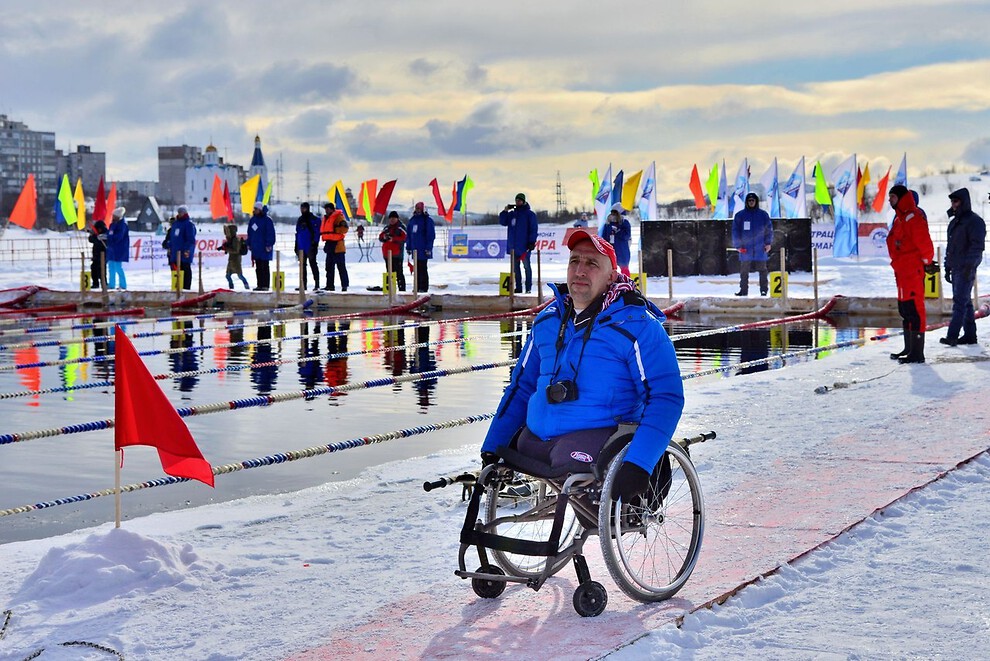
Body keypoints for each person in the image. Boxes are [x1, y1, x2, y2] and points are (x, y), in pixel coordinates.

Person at [480, 229, 684, 504]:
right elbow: (522, 386)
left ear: (612, 276)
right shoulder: (547, 321)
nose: (580, 270)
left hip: (597, 441)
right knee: (515, 449)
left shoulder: (637, 326)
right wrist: (492, 446)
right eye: (574, 261)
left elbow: (666, 397)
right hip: (538, 439)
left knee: (570, 458)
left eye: (592, 264)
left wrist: (640, 462)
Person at [886, 184, 936, 363]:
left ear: (901, 198)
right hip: (901, 271)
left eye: (892, 197)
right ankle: (909, 348)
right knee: (905, 309)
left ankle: (917, 353)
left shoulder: (913, 218)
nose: (889, 200)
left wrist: (926, 263)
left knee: (915, 310)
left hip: (912, 272)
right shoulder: (899, 219)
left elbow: (925, 245)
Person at [940, 187, 986, 346]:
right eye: (952, 201)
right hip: (956, 268)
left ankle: (952, 335)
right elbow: (950, 247)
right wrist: (947, 266)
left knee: (959, 302)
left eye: (956, 201)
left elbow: (977, 247)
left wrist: (969, 266)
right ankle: (970, 335)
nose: (953, 204)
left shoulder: (975, 222)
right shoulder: (955, 223)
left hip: (966, 267)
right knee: (965, 302)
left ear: (964, 202)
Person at [731, 192, 773, 296]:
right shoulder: (740, 215)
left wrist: (768, 243)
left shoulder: (763, 215)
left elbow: (769, 230)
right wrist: (738, 246)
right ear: (746, 202)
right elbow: (735, 232)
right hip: (746, 248)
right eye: (749, 201)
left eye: (753, 200)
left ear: (756, 201)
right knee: (744, 271)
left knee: (763, 270)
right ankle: (743, 290)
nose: (751, 202)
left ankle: (764, 290)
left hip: (760, 247)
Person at [499, 192, 539, 293]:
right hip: (513, 247)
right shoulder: (512, 214)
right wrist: (505, 211)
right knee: (516, 269)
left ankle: (528, 288)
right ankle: (519, 288)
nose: (518, 202)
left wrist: (532, 242)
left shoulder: (530, 214)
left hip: (524, 246)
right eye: (516, 200)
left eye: (520, 200)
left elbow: (533, 229)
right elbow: (503, 222)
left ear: (524, 201)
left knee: (526, 267)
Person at [406, 202, 436, 292]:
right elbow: (409, 235)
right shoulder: (412, 220)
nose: (417, 210)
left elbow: (430, 235)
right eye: (416, 208)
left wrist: (428, 248)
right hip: (415, 249)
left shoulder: (427, 220)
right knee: (416, 268)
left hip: (423, 249)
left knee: (423, 268)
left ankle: (423, 287)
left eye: (419, 208)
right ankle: (417, 286)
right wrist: (408, 247)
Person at [320, 202, 349, 291]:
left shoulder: (339, 217)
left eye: (328, 208)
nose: (327, 210)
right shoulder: (326, 218)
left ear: (332, 209)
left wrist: (336, 230)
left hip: (338, 245)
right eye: (326, 209)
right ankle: (329, 285)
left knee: (341, 267)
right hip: (329, 244)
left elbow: (345, 229)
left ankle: (344, 286)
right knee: (329, 267)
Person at [247, 201, 276, 291]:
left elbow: (270, 234)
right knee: (258, 267)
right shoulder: (253, 220)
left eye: (256, 209)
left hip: (264, 248)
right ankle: (259, 285)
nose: (254, 210)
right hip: (256, 248)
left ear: (260, 209)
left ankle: (265, 285)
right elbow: (250, 233)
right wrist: (249, 243)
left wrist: (269, 244)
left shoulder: (267, 220)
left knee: (265, 266)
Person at [167, 205, 197, 290]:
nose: (180, 214)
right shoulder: (176, 224)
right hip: (175, 252)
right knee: (176, 270)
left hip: (183, 253)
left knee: (185, 269)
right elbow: (172, 238)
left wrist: (187, 249)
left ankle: (186, 288)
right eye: (179, 212)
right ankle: (177, 288)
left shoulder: (188, 225)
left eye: (182, 212)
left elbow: (190, 239)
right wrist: (169, 245)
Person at [295, 202, 321, 291]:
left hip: (310, 246)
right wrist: (296, 246)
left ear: (308, 208)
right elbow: (297, 233)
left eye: (304, 208)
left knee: (313, 264)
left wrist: (315, 244)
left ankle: (317, 284)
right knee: (302, 266)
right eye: (301, 208)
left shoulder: (314, 219)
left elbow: (317, 232)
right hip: (301, 246)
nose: (302, 210)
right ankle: (303, 285)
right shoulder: (300, 219)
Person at [379, 210, 407, 292]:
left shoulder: (401, 227)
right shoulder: (387, 228)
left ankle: (402, 290)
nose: (392, 220)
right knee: (389, 272)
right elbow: (380, 237)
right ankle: (389, 290)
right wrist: (385, 237)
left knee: (399, 272)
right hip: (387, 254)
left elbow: (405, 238)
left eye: (394, 218)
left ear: (397, 219)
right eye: (390, 218)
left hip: (397, 254)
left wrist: (394, 239)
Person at [601, 203, 632, 276]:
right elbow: (604, 238)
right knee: (611, 269)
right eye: (612, 213)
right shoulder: (608, 224)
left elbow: (627, 236)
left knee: (624, 269)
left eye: (615, 213)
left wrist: (617, 232)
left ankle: (626, 284)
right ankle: (612, 284)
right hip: (610, 249)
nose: (613, 215)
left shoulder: (624, 223)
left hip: (622, 250)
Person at [106, 207, 130, 290]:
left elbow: (119, 237)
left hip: (119, 249)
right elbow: (110, 233)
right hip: (112, 249)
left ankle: (123, 285)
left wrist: (109, 237)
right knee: (111, 267)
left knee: (118, 267)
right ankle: (111, 284)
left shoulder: (123, 225)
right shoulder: (113, 224)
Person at [220, 223, 250, 289]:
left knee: (240, 275)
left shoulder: (236, 240)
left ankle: (246, 285)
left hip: (236, 260)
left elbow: (236, 250)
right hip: (231, 260)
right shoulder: (230, 239)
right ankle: (231, 287)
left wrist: (226, 249)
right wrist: (223, 247)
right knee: (228, 275)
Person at [88, 219, 108, 289]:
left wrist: (101, 238)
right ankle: (95, 283)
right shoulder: (96, 234)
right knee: (94, 268)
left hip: (103, 255)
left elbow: (106, 242)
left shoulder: (106, 233)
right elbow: (91, 239)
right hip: (95, 254)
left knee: (102, 270)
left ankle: (104, 283)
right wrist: (93, 235)